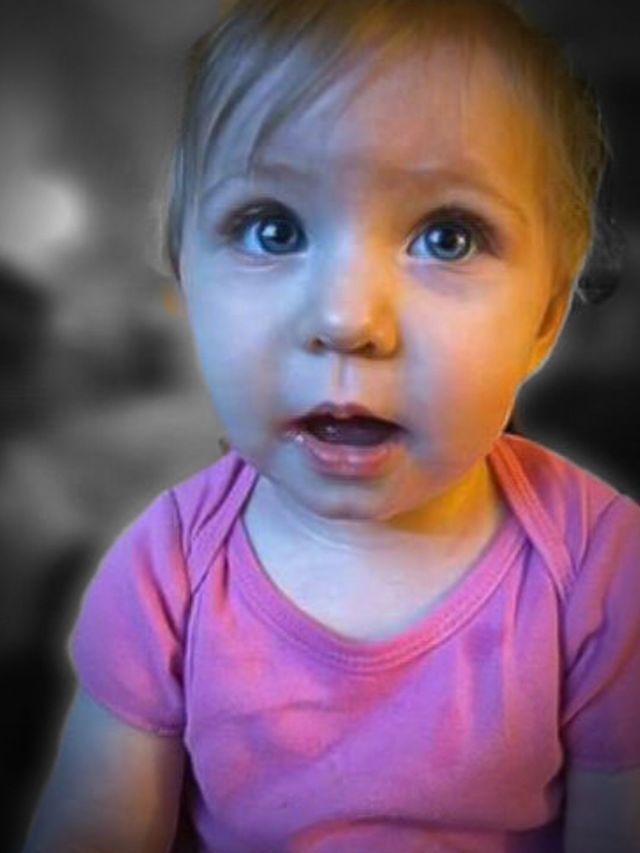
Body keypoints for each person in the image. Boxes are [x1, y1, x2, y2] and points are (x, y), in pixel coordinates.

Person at [24, 0, 640, 850]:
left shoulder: (601, 568)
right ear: (186, 287)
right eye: (272, 229)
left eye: (448, 236)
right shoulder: (167, 573)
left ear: (545, 316)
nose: (347, 318)